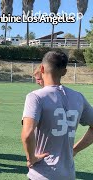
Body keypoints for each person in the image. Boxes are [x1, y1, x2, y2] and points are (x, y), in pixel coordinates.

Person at [21, 51, 93, 180]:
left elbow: (27, 134)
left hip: (42, 173)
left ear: (42, 68)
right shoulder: (78, 97)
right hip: (68, 174)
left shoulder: (35, 97)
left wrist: (31, 158)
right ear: (64, 72)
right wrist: (75, 149)